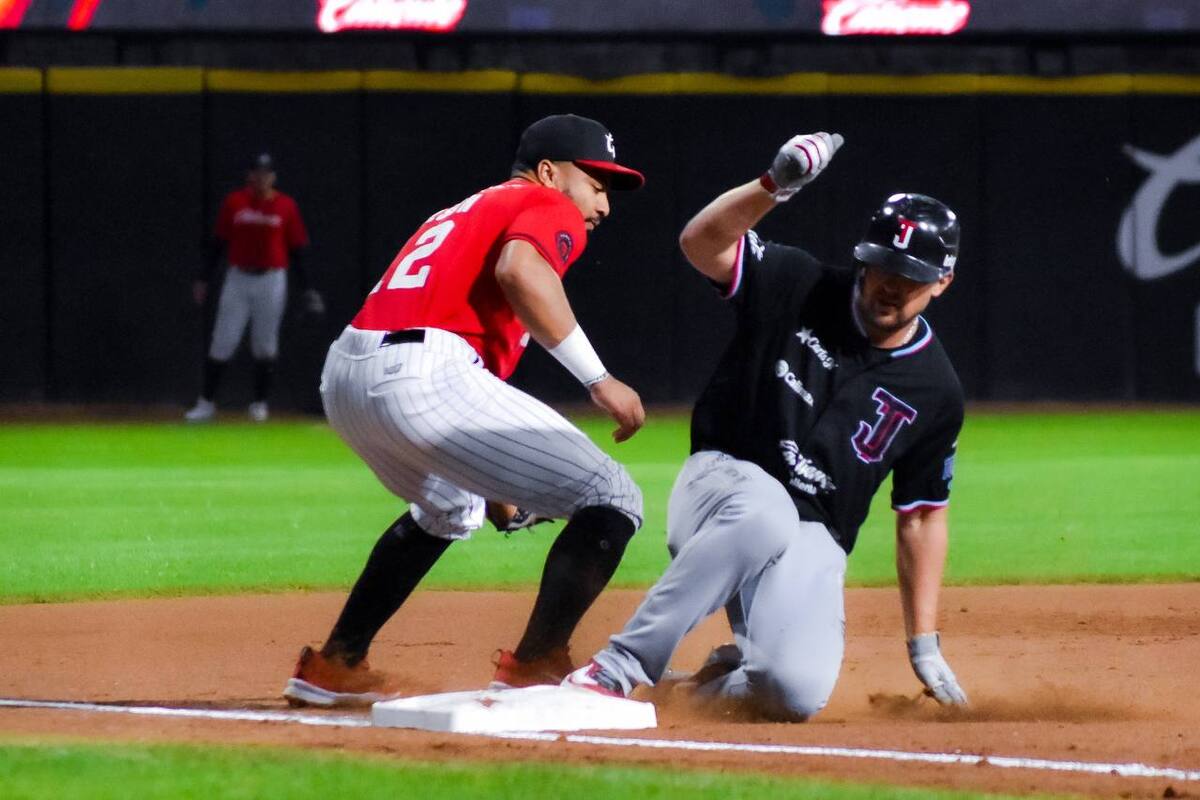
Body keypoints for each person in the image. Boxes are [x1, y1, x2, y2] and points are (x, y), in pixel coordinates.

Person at [563, 131, 969, 720]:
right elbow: (701, 243)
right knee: (764, 511)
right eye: (882, 264)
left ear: (942, 281)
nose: (891, 284)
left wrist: (923, 642)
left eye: (910, 274)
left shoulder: (936, 391)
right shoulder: (796, 282)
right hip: (725, 483)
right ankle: (619, 667)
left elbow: (924, 515)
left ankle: (698, 689)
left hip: (815, 538)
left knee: (793, 692)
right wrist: (771, 187)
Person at [282, 114, 647, 708]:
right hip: (424, 371)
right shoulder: (544, 202)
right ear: (551, 172)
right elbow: (521, 272)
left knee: (450, 506)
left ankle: (336, 664)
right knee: (614, 496)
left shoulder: (466, 208)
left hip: (348, 375)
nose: (604, 204)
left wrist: (487, 478)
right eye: (597, 184)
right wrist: (598, 378)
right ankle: (536, 665)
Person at [185, 153, 325, 423]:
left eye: (267, 172)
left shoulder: (285, 206)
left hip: (272, 279)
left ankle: (259, 405)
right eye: (257, 172)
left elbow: (296, 249)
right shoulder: (235, 203)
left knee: (265, 343)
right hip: (239, 277)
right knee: (223, 340)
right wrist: (204, 278)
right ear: (250, 175)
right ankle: (206, 403)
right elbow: (218, 244)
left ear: (273, 177)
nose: (262, 177)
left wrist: (307, 287)